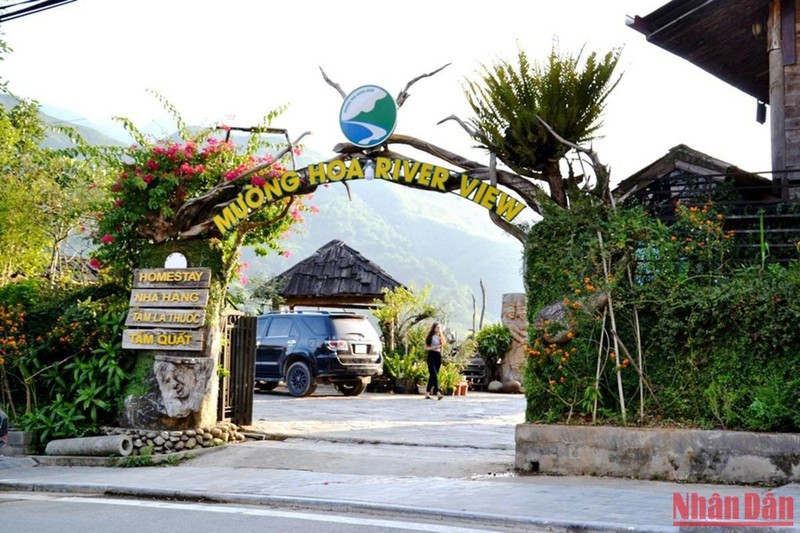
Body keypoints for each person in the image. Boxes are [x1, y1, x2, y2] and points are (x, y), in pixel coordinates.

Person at [425, 322, 445, 400]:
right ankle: (437, 392)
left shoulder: (441, 337)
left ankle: (427, 393)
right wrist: (434, 347)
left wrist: (441, 356)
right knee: (434, 374)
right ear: (434, 328)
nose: (439, 329)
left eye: (440, 327)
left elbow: (441, 347)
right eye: (437, 327)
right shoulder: (430, 337)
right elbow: (426, 347)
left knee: (433, 375)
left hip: (438, 356)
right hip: (431, 355)